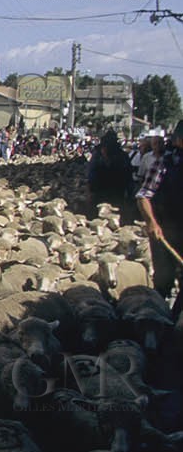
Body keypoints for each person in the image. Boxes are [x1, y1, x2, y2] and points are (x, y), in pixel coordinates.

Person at [137, 121, 183, 315]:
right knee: (164, 279)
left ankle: (176, 318)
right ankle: (158, 317)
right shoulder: (165, 163)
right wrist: (151, 222)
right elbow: (144, 195)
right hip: (166, 229)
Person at [87, 128, 135, 216]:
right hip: (100, 190)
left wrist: (129, 192)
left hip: (116, 190)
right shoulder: (98, 156)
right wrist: (91, 189)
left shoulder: (122, 156)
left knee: (114, 213)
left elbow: (128, 175)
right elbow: (91, 173)